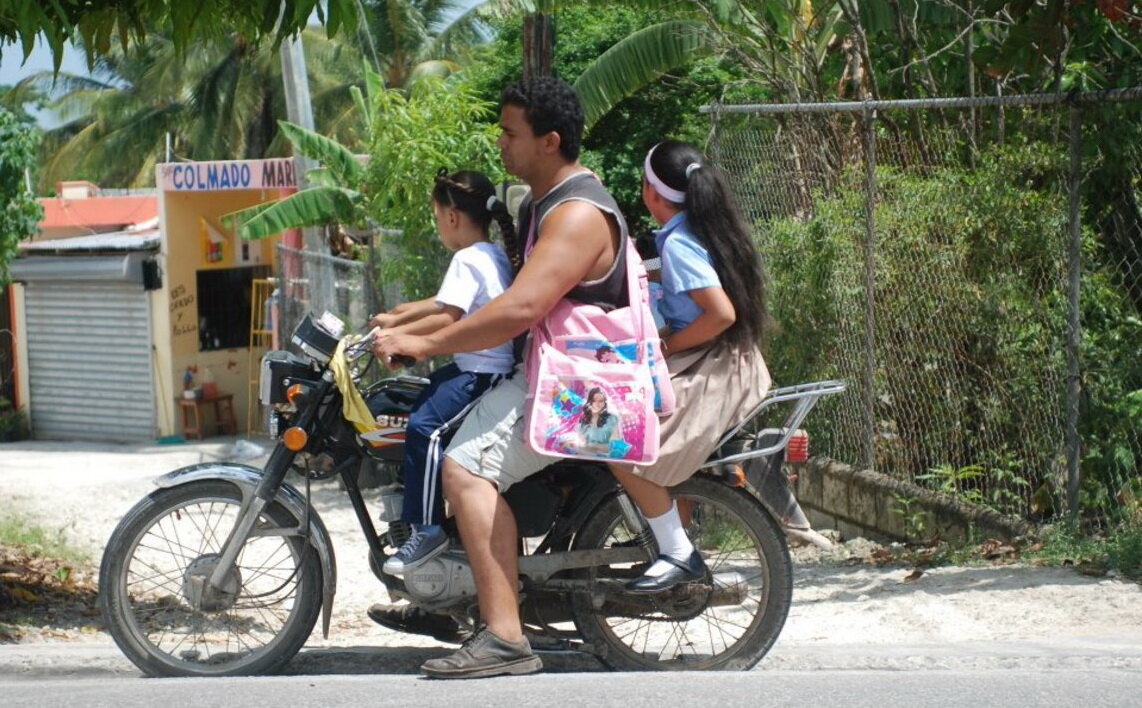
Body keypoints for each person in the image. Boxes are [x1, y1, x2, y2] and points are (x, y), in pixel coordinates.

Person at [375, 76, 628, 679]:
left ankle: (506, 636)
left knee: (463, 464)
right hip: (558, 375)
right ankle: (475, 603)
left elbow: (517, 311)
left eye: (511, 132)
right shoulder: (542, 205)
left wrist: (422, 343)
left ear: (550, 141)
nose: (500, 143)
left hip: (580, 389)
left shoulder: (575, 212)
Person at [609, 139, 772, 594]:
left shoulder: (680, 243)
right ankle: (671, 546)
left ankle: (678, 554)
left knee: (618, 445)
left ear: (650, 191)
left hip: (713, 364)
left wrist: (667, 343)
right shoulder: (700, 230)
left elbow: (720, 314)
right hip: (725, 358)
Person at [369, 169, 516, 576]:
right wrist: (399, 315)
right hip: (478, 368)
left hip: (481, 373)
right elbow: (443, 302)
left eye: (436, 217)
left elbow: (449, 315)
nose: (438, 226)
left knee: (423, 429)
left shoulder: (467, 258)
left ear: (451, 216)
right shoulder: (491, 252)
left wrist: (398, 334)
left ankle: (427, 528)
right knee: (412, 401)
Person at [578, 387, 620, 453]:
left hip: (604, 458)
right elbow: (579, 444)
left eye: (600, 401)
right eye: (594, 401)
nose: (597, 404)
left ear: (604, 403)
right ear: (589, 402)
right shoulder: (584, 419)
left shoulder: (612, 419)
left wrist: (593, 446)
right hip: (585, 456)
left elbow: (615, 445)